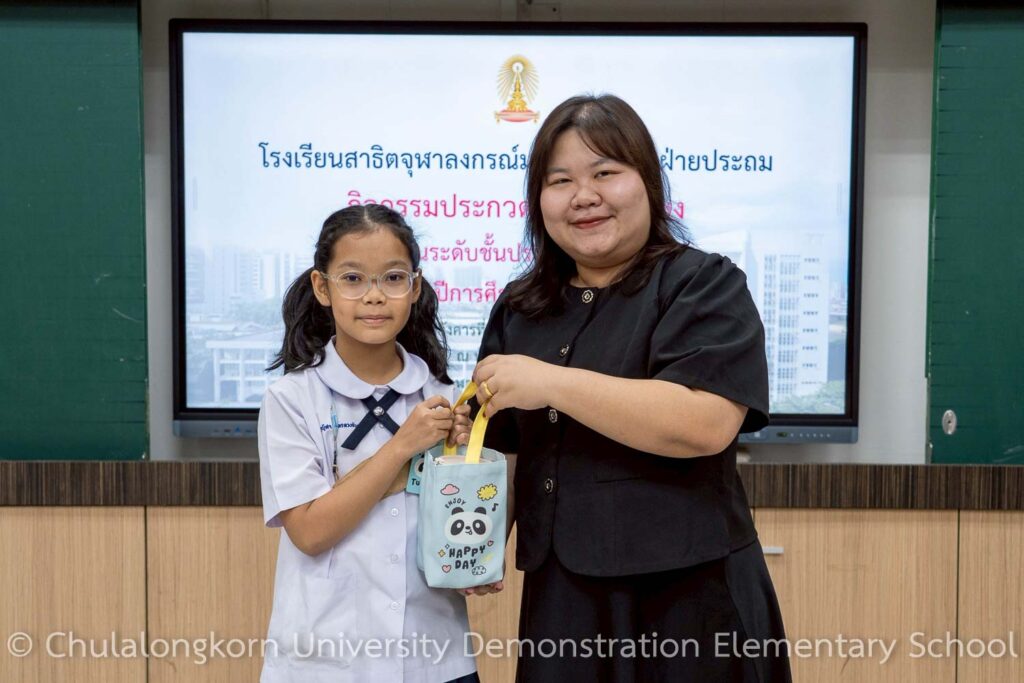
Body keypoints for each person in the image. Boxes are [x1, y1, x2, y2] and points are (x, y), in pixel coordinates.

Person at [470, 95, 792, 682]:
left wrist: (550, 382)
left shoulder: (702, 282)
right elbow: (506, 450)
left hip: (688, 596)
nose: (583, 196)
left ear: (648, 182)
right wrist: (481, 543)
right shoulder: (521, 307)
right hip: (562, 599)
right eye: (560, 181)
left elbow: (703, 424)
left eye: (605, 173)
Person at [257, 204, 480, 683]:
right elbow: (310, 532)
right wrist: (403, 448)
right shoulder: (291, 399)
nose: (374, 296)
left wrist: (477, 559)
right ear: (322, 287)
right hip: (327, 660)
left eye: (393, 278)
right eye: (353, 279)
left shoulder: (441, 395)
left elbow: (457, 520)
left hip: (434, 654)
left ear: (415, 287)